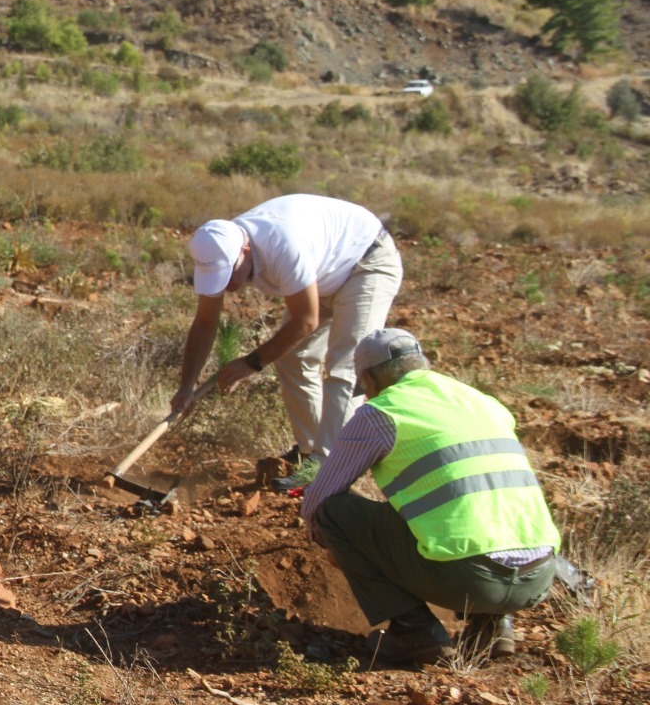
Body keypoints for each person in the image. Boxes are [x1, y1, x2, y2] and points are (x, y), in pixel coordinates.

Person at [300, 328, 561, 666]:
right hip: (538, 578)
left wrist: (326, 540)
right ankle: (494, 625)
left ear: (368, 378)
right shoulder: (482, 401)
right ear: (421, 364)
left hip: (472, 580)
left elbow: (319, 499)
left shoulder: (381, 412)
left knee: (333, 512)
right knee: (465, 506)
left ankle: (414, 631)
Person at [174, 193, 403, 490]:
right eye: (218, 275)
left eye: (230, 272)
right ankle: (310, 454)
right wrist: (186, 385)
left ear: (244, 249)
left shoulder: (282, 243)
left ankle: (329, 472)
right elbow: (205, 323)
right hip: (322, 271)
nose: (227, 283)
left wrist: (252, 363)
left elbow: (306, 320)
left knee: (344, 366)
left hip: (365, 262)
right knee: (293, 357)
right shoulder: (215, 253)